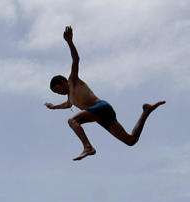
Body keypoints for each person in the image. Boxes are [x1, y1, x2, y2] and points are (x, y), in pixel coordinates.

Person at [46, 26, 165, 161]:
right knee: (130, 140)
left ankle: (88, 147)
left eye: (58, 90)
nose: (59, 93)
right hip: (101, 117)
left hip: (101, 107)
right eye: (56, 93)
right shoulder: (70, 98)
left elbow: (76, 59)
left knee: (72, 120)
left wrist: (69, 42)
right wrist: (53, 107)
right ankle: (146, 112)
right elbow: (66, 105)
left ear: (62, 82)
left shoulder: (72, 80)